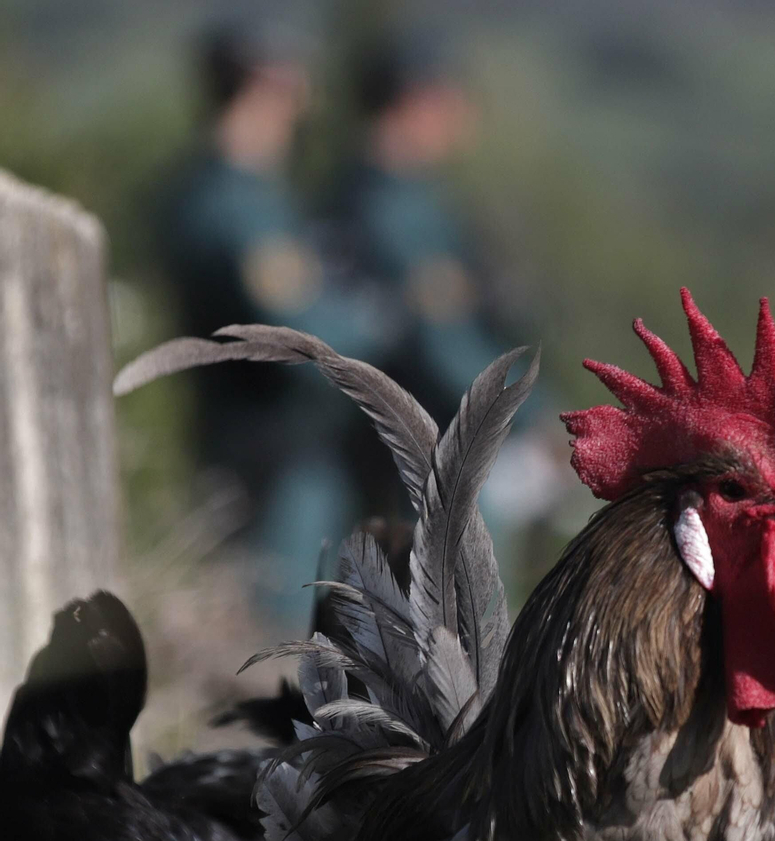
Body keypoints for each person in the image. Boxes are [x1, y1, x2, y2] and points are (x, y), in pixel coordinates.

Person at [156, 19, 389, 633]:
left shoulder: (244, 195)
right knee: (276, 645)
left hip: (279, 461)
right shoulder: (236, 205)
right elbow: (303, 338)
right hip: (274, 469)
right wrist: (382, 319)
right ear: (265, 84)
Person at [323, 29, 562, 536]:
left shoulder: (385, 195)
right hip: (422, 458)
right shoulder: (393, 212)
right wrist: (533, 415)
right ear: (418, 101)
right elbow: (440, 342)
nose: (463, 116)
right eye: (452, 100)